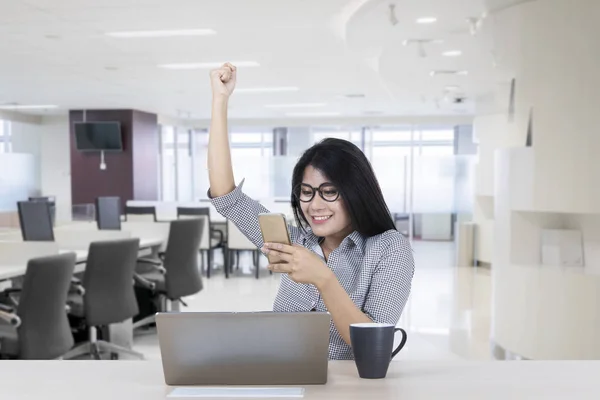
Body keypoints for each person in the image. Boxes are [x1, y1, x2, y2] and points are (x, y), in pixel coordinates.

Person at [207, 63, 415, 360]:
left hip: (345, 386)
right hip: (278, 372)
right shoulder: (294, 243)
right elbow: (227, 197)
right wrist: (219, 100)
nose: (314, 205)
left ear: (356, 192)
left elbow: (373, 346)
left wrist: (323, 278)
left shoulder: (389, 249)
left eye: (329, 192)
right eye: (307, 192)